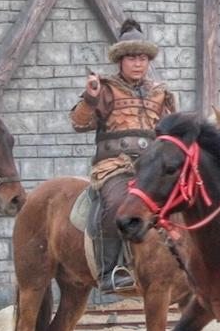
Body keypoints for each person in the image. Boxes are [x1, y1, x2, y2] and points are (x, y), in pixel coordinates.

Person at [70, 19, 176, 293]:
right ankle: (110, 270)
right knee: (117, 202)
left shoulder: (160, 93)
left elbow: (170, 131)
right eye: (131, 58)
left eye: (142, 58)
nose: (138, 64)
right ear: (121, 60)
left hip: (151, 167)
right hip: (114, 166)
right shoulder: (104, 89)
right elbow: (79, 123)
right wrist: (90, 98)